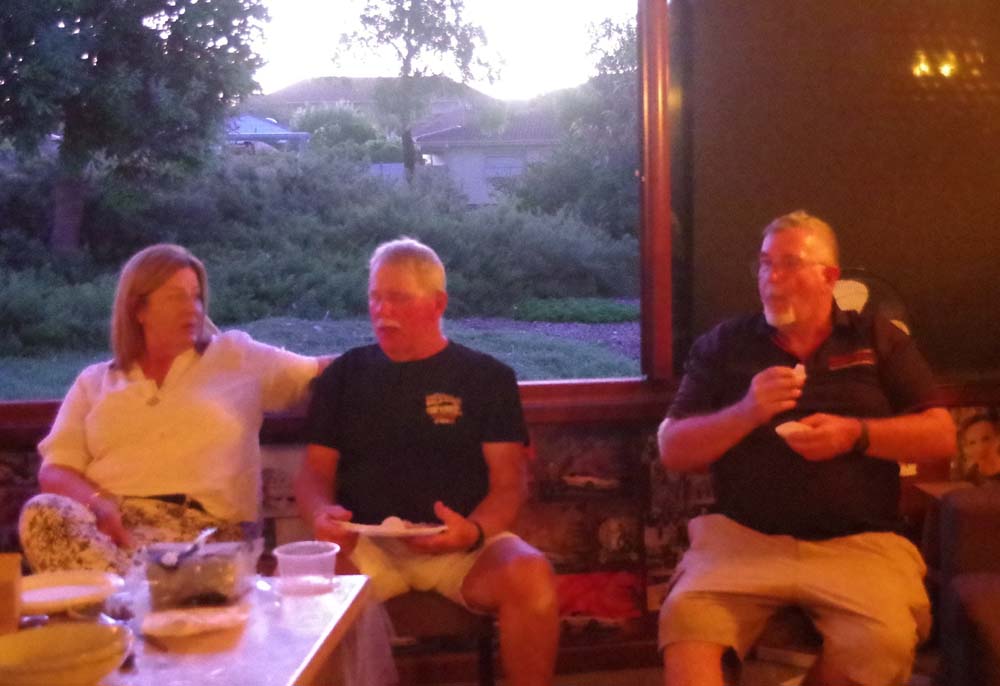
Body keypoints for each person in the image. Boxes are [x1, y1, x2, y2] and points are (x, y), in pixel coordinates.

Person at [657, 211, 956, 686]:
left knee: (882, 646)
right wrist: (747, 411)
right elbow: (672, 448)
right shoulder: (726, 344)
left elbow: (941, 435)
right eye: (764, 264)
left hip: (859, 543)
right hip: (741, 539)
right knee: (687, 629)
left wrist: (854, 435)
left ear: (829, 277)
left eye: (790, 264)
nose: (771, 278)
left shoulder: (878, 338)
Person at [295, 237, 559, 686]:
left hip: (460, 545)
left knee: (532, 576)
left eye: (397, 297)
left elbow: (509, 484)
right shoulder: (343, 376)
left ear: (438, 304)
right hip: (365, 543)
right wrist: (321, 513)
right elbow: (314, 473)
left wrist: (473, 530)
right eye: (375, 297)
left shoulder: (486, 378)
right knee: (304, 583)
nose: (382, 311)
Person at [19, 244, 328, 574]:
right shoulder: (94, 382)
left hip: (204, 534)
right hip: (108, 530)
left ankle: (133, 590)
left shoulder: (235, 357)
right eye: (176, 297)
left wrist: (372, 357)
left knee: (136, 574)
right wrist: (99, 505)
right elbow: (56, 471)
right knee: (41, 513)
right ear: (139, 309)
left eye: (196, 297)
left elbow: (323, 372)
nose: (192, 309)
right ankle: (142, 588)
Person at [958, 413, 1000, 483]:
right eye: (972, 443)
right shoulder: (970, 478)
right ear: (967, 448)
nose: (979, 448)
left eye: (986, 439)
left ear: (998, 439)